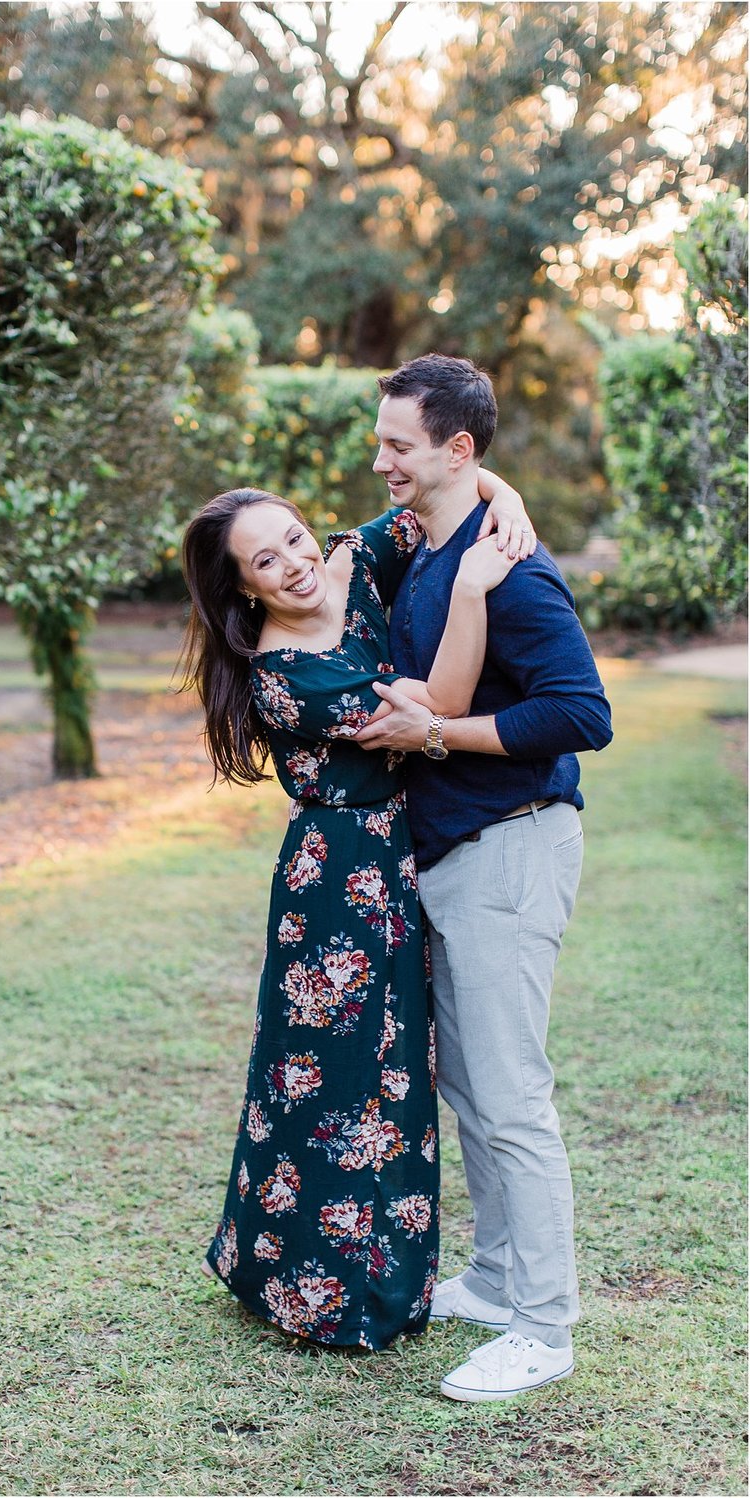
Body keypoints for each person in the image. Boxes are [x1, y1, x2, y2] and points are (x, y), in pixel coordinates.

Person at [181, 469, 533, 1352]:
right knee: (331, 1078)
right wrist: (470, 588)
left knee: (395, 1071)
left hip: (394, 858)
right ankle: (317, 1290)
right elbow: (442, 708)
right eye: (267, 560)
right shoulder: (286, 678)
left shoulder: (353, 561)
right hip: (337, 877)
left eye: (295, 537)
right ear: (243, 587)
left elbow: (440, 479)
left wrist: (510, 499)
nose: (295, 563)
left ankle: (373, 1273)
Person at [354, 353, 613, 1400]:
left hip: (511, 842)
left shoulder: (513, 568)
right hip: (455, 852)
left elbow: (582, 713)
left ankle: (543, 1328)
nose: (378, 461)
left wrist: (436, 734)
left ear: (456, 448)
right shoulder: (441, 542)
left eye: (396, 445)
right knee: (470, 1087)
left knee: (511, 1098)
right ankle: (499, 1278)